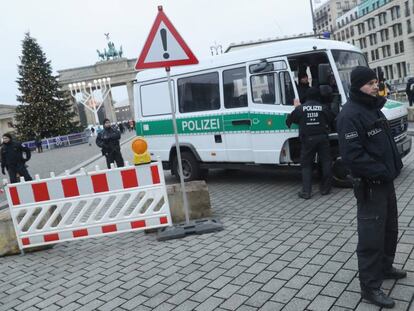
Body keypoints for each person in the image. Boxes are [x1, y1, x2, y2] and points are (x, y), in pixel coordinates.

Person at [336, 66, 406, 308]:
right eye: (370, 83)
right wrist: (382, 171)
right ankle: (370, 287)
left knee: (389, 230)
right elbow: (352, 156)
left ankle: (385, 268)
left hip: (386, 183)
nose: (375, 86)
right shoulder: (350, 115)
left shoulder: (373, 108)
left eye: (376, 81)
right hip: (371, 186)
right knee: (371, 238)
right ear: (358, 87)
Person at [286, 87, 334, 199]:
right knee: (326, 162)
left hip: (308, 140)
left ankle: (306, 192)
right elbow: (332, 118)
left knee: (306, 165)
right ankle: (325, 189)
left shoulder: (301, 108)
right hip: (322, 138)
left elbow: (290, 120)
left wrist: (297, 109)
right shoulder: (323, 107)